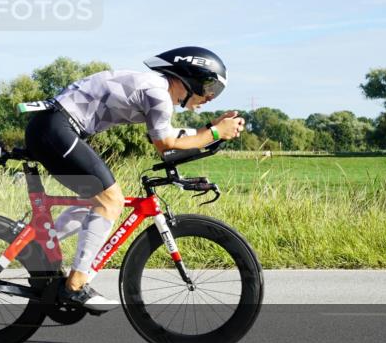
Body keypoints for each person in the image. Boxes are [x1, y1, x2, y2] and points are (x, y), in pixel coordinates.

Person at [23, 46, 245, 312]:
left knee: (98, 200)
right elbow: (166, 145)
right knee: (110, 201)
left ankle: (37, 244)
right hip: (56, 129)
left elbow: (170, 137)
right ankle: (74, 286)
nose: (210, 97)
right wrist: (215, 133)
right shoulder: (157, 93)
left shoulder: (156, 89)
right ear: (190, 78)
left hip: (53, 127)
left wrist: (211, 130)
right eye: (210, 88)